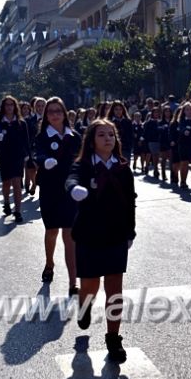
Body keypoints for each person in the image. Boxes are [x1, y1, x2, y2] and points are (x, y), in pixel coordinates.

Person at [66, 119, 136, 363]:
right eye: (102, 135)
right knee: (90, 286)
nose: (108, 139)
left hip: (116, 234)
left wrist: (131, 231)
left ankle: (113, 339)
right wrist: (75, 189)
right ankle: (84, 307)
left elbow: (130, 201)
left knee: (114, 289)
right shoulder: (83, 165)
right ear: (91, 141)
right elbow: (71, 179)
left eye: (111, 135)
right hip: (89, 235)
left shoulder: (123, 168)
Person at [35, 97, 82, 295]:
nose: (55, 114)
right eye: (51, 111)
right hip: (50, 190)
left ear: (64, 113)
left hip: (70, 191)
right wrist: (45, 161)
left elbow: (82, 160)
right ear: (46, 115)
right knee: (52, 231)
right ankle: (49, 264)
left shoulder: (75, 136)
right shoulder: (42, 136)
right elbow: (37, 154)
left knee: (70, 235)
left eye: (58, 111)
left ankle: (73, 281)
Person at [0, 96, 29, 222]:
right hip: (4, 156)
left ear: (15, 107)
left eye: (11, 105)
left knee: (17, 183)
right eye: (7, 105)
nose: (9, 107)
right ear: (3, 107)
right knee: (6, 182)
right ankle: (7, 202)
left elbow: (26, 141)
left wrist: (27, 155)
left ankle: (18, 211)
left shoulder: (21, 123)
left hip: (18, 156)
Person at [176, 102, 191, 192]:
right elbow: (181, 130)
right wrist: (184, 131)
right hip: (183, 145)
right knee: (184, 164)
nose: (189, 111)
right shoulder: (181, 121)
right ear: (183, 111)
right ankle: (183, 181)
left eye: (190, 109)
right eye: (187, 109)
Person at [20, 101, 38, 195]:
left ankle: (31, 184)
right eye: (24, 108)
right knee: (25, 166)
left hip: (31, 145)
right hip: (21, 146)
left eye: (27, 108)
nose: (26, 110)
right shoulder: (18, 120)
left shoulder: (32, 119)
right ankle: (25, 182)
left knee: (30, 166)